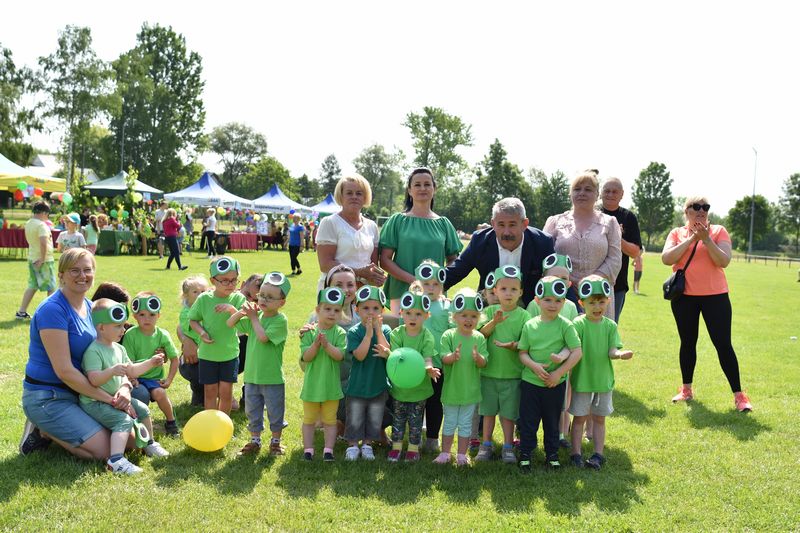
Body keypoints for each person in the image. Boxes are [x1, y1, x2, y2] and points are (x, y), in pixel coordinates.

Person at [20, 248, 127, 460]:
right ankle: (43, 429)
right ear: (61, 275)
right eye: (74, 270)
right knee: (106, 451)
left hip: (81, 393)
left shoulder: (91, 307)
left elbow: (111, 350)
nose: (82, 276)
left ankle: (60, 428)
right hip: (49, 395)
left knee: (129, 439)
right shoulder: (52, 310)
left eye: (87, 270)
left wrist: (124, 387)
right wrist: (108, 399)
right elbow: (65, 371)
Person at [661, 197, 752, 412]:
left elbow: (724, 261)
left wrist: (707, 240)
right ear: (687, 212)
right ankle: (686, 389)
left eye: (705, 207)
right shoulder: (676, 233)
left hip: (716, 297)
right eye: (696, 207)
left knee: (723, 344)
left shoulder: (719, 231)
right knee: (687, 342)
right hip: (684, 298)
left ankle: (739, 396)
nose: (701, 210)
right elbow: (667, 258)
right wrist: (692, 239)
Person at [81, 298, 169, 474]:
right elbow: (94, 380)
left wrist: (151, 362)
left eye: (123, 325)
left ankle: (149, 443)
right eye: (118, 326)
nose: (123, 330)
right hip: (95, 402)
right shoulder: (93, 350)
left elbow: (132, 371)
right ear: (101, 328)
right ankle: (116, 460)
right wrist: (111, 371)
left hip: (116, 398)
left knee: (143, 409)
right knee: (123, 420)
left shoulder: (119, 349)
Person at [517, 276, 583, 472]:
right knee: (528, 421)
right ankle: (526, 454)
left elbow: (577, 352)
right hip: (530, 382)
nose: (553, 305)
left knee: (552, 421)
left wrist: (559, 373)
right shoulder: (530, 325)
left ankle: (552, 454)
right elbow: (522, 353)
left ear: (564, 302)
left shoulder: (566, 325)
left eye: (558, 300)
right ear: (537, 300)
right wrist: (534, 366)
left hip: (555, 384)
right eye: (547, 300)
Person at [568, 275, 633, 470]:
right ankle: (575, 453)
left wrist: (619, 354)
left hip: (603, 381)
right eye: (592, 303)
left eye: (601, 302)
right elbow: (572, 348)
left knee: (599, 419)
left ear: (608, 301)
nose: (597, 307)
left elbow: (612, 350)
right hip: (582, 380)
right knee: (579, 418)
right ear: (582, 303)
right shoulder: (578, 324)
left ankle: (598, 454)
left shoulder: (610, 326)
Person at [445, 197, 555, 307]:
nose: (506, 232)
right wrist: (435, 290)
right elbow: (454, 272)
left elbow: (555, 280)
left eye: (512, 225)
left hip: (529, 311)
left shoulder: (543, 243)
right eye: (501, 225)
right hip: (489, 309)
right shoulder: (480, 241)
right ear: (493, 224)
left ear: (524, 224)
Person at [380, 167, 462, 313]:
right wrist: (415, 281)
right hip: (402, 292)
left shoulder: (444, 224)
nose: (422, 188)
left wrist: (435, 282)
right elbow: (385, 260)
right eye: (417, 185)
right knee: (401, 328)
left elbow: (453, 260)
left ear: (434, 189)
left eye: (427, 184)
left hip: (434, 294)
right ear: (410, 190)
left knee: (434, 328)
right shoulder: (397, 221)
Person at [227, 272, 290, 456]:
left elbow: (263, 338)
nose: (263, 299)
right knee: (252, 410)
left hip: (272, 377)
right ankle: (255, 440)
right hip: (252, 376)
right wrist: (242, 312)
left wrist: (253, 317)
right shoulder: (256, 316)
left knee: (275, 411)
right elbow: (230, 323)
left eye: (270, 297)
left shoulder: (280, 320)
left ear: (281, 302)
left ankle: (275, 442)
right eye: (262, 295)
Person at [544, 172, 622, 318]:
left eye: (588, 189)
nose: (582, 193)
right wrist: (564, 282)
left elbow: (615, 259)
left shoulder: (610, 223)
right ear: (570, 194)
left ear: (597, 194)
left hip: (598, 295)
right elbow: (545, 258)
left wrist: (590, 282)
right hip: (561, 295)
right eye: (577, 189)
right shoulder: (554, 222)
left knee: (596, 332)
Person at [475, 266, 530, 464]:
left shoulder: (524, 316)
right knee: (488, 412)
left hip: (512, 375)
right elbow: (480, 335)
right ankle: (486, 445)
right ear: (495, 291)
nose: (508, 293)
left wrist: (513, 346)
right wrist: (494, 322)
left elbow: (527, 343)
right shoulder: (489, 311)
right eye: (504, 289)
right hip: (488, 373)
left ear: (520, 292)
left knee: (508, 415)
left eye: (514, 289)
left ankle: (508, 446)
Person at [384, 290, 440, 462]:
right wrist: (388, 354)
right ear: (401, 313)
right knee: (398, 419)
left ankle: (413, 449)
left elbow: (427, 357)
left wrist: (429, 368)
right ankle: (396, 447)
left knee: (416, 421)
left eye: (418, 314)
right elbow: (396, 356)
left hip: (419, 389)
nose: (413, 318)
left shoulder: (426, 336)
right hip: (400, 388)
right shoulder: (397, 333)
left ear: (426, 316)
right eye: (408, 313)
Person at [435, 289, 488, 466]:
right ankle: (445, 453)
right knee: (450, 422)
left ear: (479, 318)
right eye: (464, 315)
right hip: (452, 389)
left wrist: (478, 358)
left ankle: (461, 455)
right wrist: (453, 357)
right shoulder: (449, 335)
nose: (468, 320)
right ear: (454, 316)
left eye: (473, 316)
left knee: (465, 424)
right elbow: (443, 358)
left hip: (470, 391)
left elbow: (484, 362)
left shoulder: (479, 338)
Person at [188, 256, 246, 414]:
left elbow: (245, 324)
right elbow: (193, 320)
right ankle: (210, 422)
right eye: (225, 280)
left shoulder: (238, 298)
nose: (231, 284)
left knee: (226, 392)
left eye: (234, 280)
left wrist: (232, 310)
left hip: (230, 354)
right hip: (208, 354)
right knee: (210, 391)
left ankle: (223, 422)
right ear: (213, 280)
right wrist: (202, 333)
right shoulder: (204, 299)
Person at [299, 287, 348, 461]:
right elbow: (306, 357)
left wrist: (327, 345)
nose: (332, 313)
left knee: (330, 420)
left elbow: (339, 356)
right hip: (312, 386)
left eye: (337, 310)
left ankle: (328, 450)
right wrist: (315, 345)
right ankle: (308, 450)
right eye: (327, 309)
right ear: (317, 310)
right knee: (309, 419)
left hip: (330, 387)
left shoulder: (340, 333)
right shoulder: (308, 332)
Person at [344, 286, 391, 461]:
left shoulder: (385, 330)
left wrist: (378, 331)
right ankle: (352, 445)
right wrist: (368, 335)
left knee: (374, 416)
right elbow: (360, 355)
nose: (370, 312)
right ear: (357, 310)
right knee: (355, 415)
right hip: (357, 385)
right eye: (365, 308)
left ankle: (367, 444)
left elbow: (388, 351)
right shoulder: (354, 331)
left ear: (382, 311)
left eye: (375, 308)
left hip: (377, 383)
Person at [122, 292, 180, 436]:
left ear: (158, 315)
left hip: (154, 379)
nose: (147, 318)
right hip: (137, 377)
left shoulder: (163, 335)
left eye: (152, 315)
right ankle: (137, 423)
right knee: (139, 394)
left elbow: (174, 359)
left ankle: (171, 422)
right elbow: (128, 361)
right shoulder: (130, 335)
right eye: (142, 315)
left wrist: (169, 379)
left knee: (160, 393)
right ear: (135, 316)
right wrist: (132, 378)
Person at [316, 175, 385, 287]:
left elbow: (373, 265)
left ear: (365, 197)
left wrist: (377, 277)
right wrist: (359, 272)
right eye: (349, 193)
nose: (354, 197)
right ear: (341, 196)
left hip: (363, 293)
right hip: (335, 290)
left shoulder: (372, 226)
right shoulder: (330, 222)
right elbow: (325, 264)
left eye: (359, 193)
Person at [415, 261, 451, 454]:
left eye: (435, 284)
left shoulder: (447, 306)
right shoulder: (413, 304)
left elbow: (452, 332)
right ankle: (415, 436)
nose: (430, 288)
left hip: (438, 365)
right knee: (417, 402)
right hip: (416, 364)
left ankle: (432, 438)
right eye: (426, 284)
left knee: (435, 402)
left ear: (442, 286)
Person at [600, 177, 642, 322]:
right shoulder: (592, 213)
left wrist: (615, 235)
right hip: (587, 279)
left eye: (614, 191)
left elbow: (635, 252)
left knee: (609, 327)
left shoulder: (628, 217)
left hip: (616, 285)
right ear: (600, 192)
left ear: (622, 194)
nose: (610, 194)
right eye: (607, 191)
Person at [17, 201, 56, 320]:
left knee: (32, 285)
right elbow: (43, 243)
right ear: (44, 212)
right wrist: (42, 259)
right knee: (51, 288)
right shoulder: (41, 225)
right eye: (48, 213)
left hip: (32, 258)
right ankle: (49, 314)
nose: (47, 216)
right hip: (43, 260)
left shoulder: (29, 223)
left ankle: (21, 311)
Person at [176, 276, 211, 406]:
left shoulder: (208, 308)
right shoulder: (186, 313)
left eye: (203, 291)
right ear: (186, 295)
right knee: (199, 374)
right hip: (195, 355)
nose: (200, 295)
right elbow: (193, 330)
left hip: (208, 352)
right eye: (195, 292)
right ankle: (199, 398)